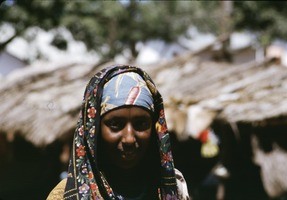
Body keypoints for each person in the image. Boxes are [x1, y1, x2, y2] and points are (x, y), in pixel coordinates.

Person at [47, 65, 189, 199]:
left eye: (141, 124)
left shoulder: (172, 189)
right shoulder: (65, 195)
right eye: (115, 124)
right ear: (94, 130)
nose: (129, 139)